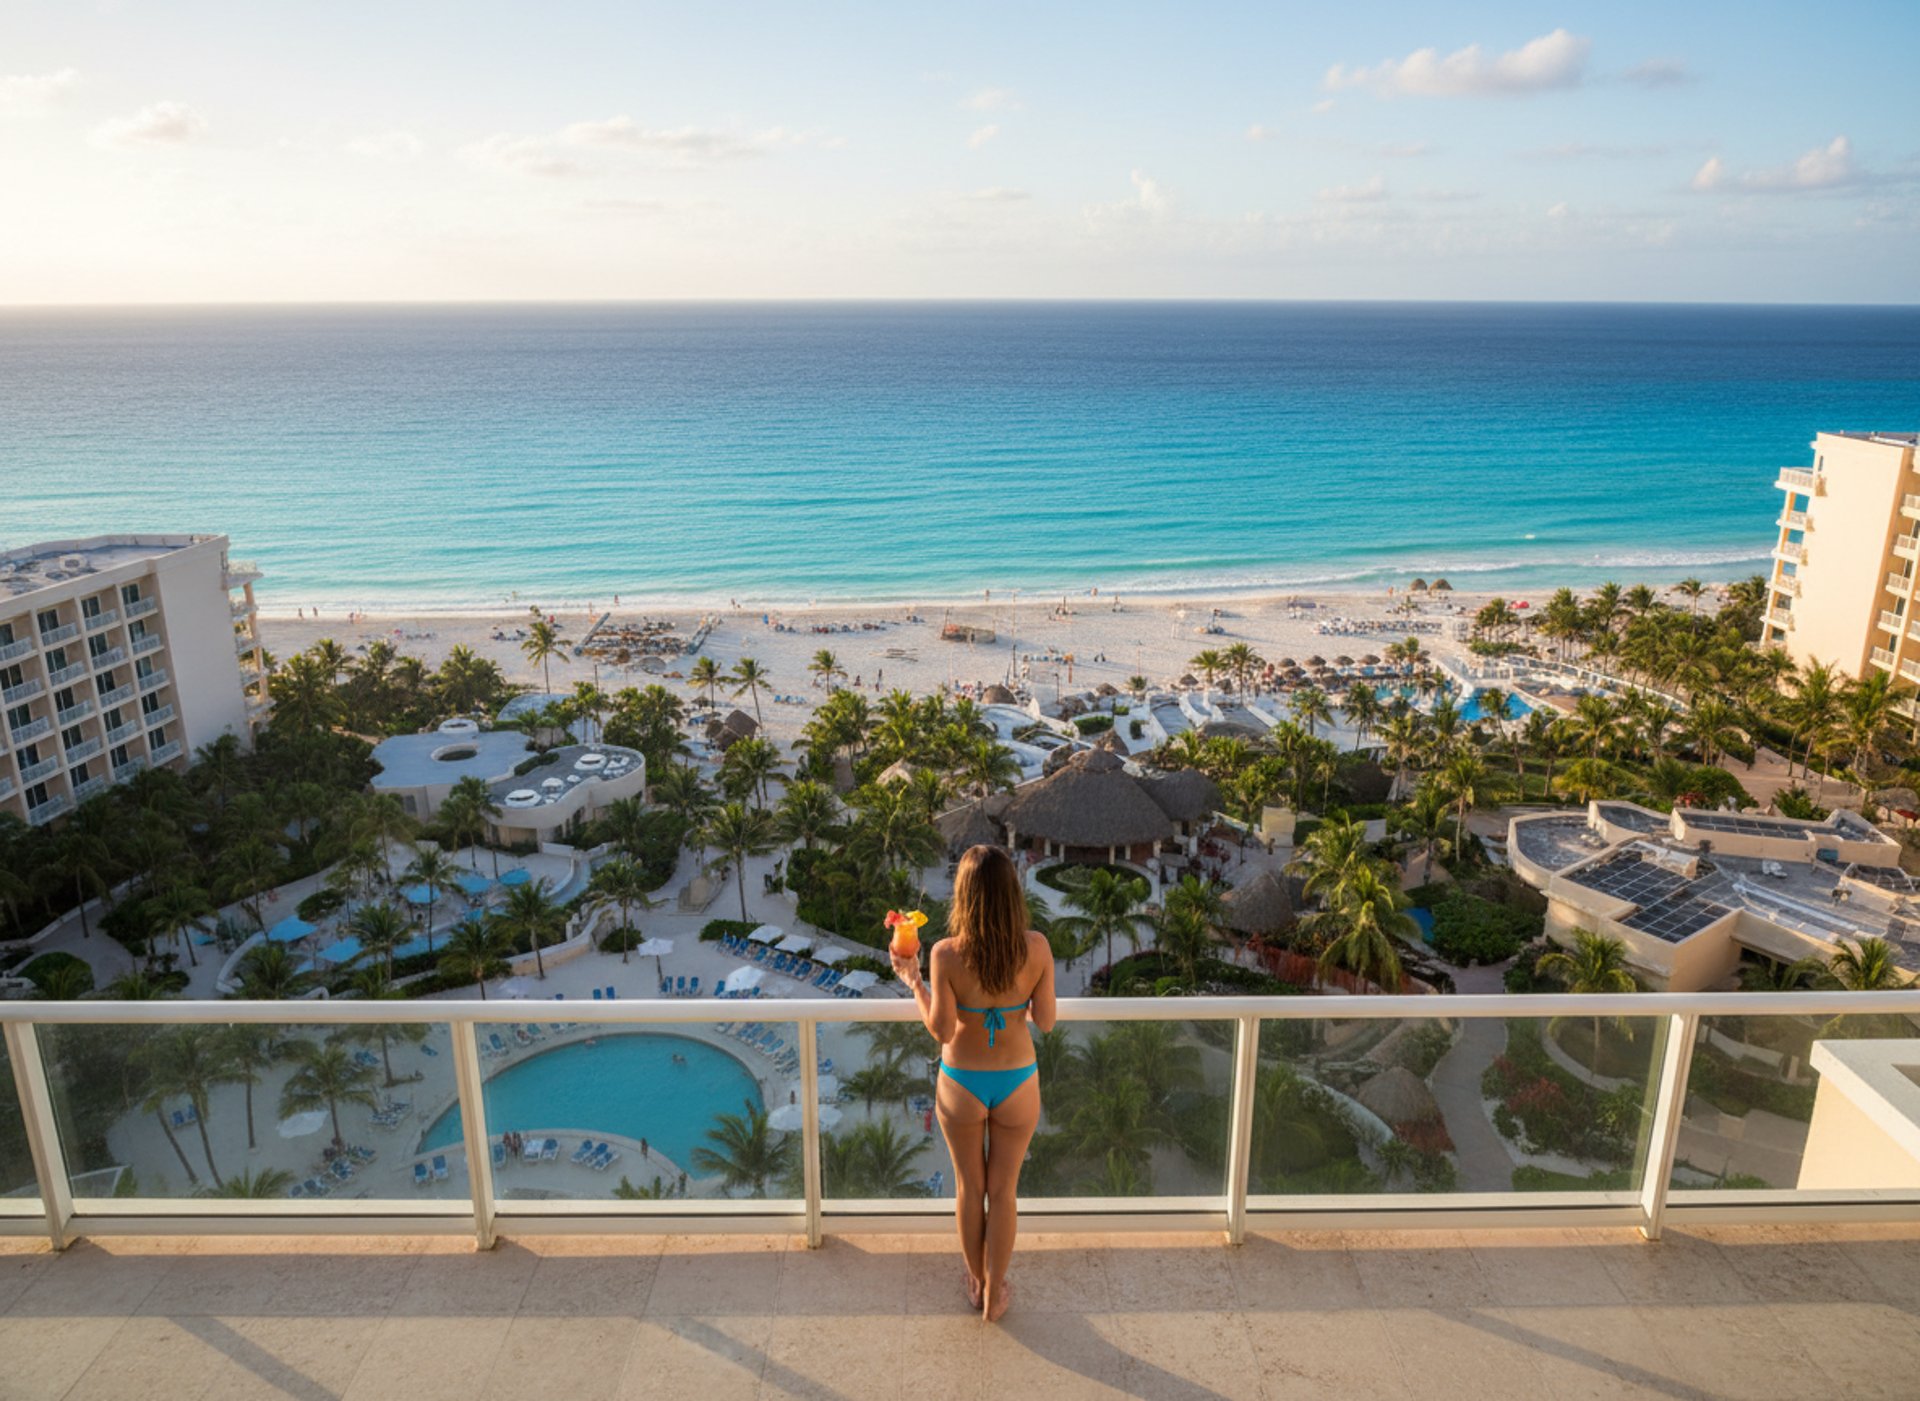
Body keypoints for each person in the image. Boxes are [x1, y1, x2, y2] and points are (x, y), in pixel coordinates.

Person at [892, 844, 1056, 1322]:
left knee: (969, 1186)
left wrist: (915, 982)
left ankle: (977, 1281)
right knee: (1004, 1191)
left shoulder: (945, 954)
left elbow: (942, 1031)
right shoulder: (1038, 947)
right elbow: (1044, 1021)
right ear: (1013, 894)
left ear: (963, 896)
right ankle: (996, 1289)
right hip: (1017, 1081)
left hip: (961, 1081)